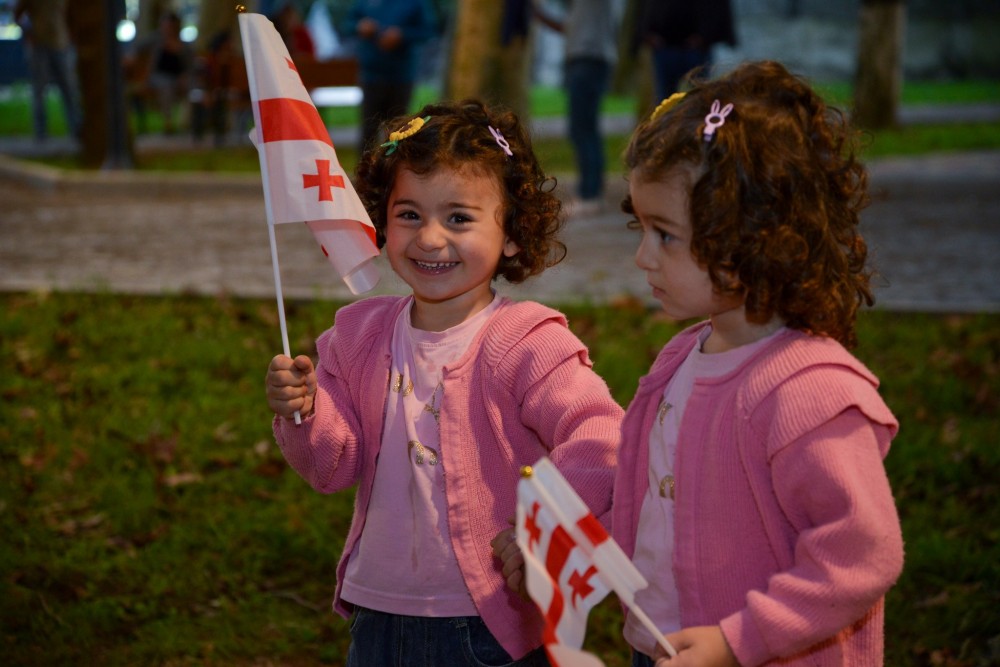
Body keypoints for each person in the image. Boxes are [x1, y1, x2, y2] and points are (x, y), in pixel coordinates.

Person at [265, 99, 622, 666]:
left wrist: (547, 527)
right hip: (377, 615)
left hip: (487, 624)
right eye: (409, 214)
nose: (430, 239)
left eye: (458, 218)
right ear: (382, 219)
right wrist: (305, 411)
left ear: (511, 233)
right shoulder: (357, 335)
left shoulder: (527, 342)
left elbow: (601, 439)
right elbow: (333, 467)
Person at [612, 61, 904, 666]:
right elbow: (645, 484)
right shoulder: (681, 357)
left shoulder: (810, 393)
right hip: (665, 645)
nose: (642, 257)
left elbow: (861, 554)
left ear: (750, 235)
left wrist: (737, 640)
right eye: (641, 228)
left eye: (664, 234)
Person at [533, 0, 620, 218]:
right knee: (584, 128)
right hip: (585, 60)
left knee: (582, 129)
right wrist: (541, 15)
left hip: (588, 61)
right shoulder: (578, 9)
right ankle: (592, 191)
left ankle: (590, 194)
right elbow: (568, 28)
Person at [343, 0, 438, 154]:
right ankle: (365, 164)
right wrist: (360, 27)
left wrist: (402, 35)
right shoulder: (365, 3)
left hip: (401, 75)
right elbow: (348, 24)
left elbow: (428, 30)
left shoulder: (416, 3)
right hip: (371, 75)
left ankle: (393, 163)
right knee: (369, 128)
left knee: (397, 128)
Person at [634, 0, 736, 101]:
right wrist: (646, 34)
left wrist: (705, 36)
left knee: (700, 95)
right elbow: (645, 7)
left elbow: (718, 7)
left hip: (697, 49)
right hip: (664, 47)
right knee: (665, 98)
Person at [13, 0, 82, 142]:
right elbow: (17, 13)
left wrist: (71, 36)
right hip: (39, 45)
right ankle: (40, 133)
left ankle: (77, 130)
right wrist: (28, 33)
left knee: (69, 88)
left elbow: (72, 14)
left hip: (61, 44)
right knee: (39, 90)